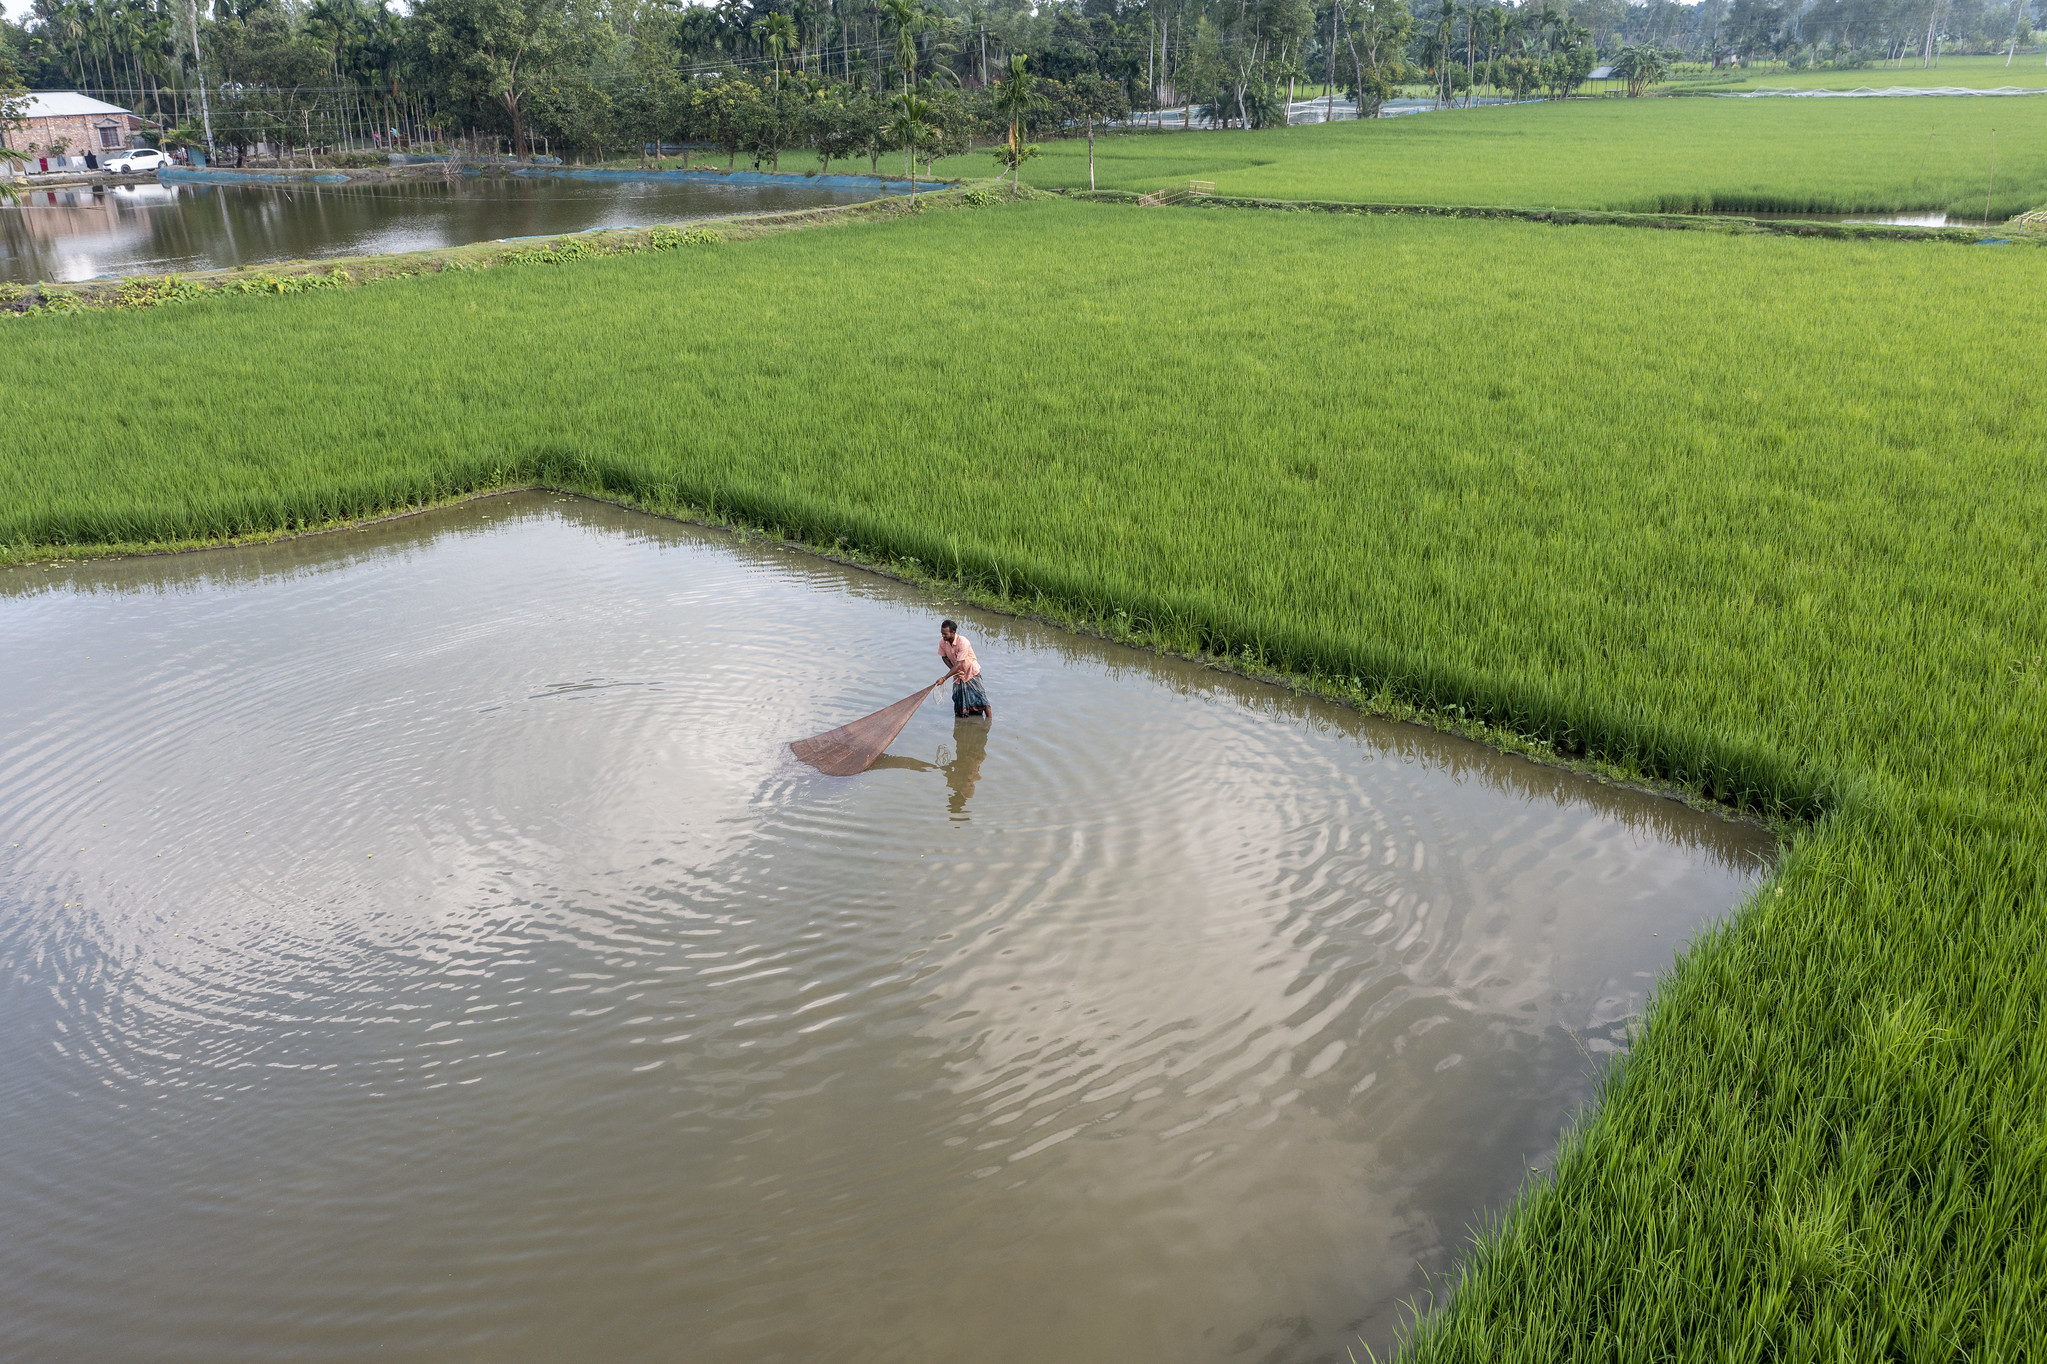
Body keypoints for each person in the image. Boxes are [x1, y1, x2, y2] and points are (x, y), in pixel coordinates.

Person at [939, 620, 991, 720]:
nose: (943, 636)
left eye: (945, 633)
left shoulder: (963, 642)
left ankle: (989, 720)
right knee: (958, 699)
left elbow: (959, 664)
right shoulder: (942, 642)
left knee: (980, 697)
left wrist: (944, 678)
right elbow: (944, 657)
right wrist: (953, 670)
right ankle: (961, 722)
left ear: (953, 633)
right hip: (957, 674)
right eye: (941, 633)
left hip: (971, 672)